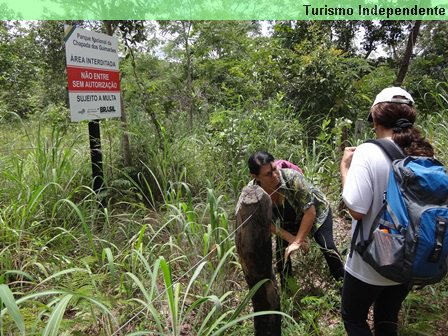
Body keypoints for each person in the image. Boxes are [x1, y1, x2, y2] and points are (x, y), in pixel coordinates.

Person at [340, 87, 435, 336]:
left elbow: (356, 209)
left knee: (354, 319)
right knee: (387, 318)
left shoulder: (367, 152)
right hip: (408, 257)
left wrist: (345, 168)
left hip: (371, 260)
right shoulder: (423, 151)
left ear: (375, 118)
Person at [248, 151, 345, 286]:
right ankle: (288, 292)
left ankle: (344, 285)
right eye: (268, 174)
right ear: (255, 176)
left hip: (317, 212)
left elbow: (310, 212)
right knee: (282, 258)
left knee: (327, 247)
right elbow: (267, 223)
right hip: (286, 223)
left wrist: (298, 241)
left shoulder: (292, 178)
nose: (275, 175)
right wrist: (292, 240)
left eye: (275, 169)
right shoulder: (253, 194)